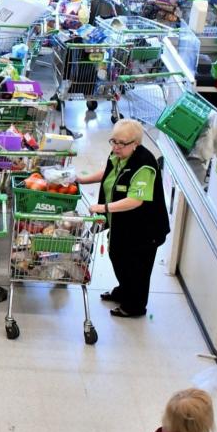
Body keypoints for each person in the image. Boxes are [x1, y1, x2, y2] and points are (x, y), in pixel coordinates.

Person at [77, 119, 169, 318]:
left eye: (122, 143)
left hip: (145, 229)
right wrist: (82, 180)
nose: (116, 147)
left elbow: (136, 200)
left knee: (137, 267)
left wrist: (103, 207)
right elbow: (109, 172)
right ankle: (124, 290)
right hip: (123, 223)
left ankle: (134, 307)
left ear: (135, 143)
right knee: (117, 256)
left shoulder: (144, 165)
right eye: (113, 141)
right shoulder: (120, 153)